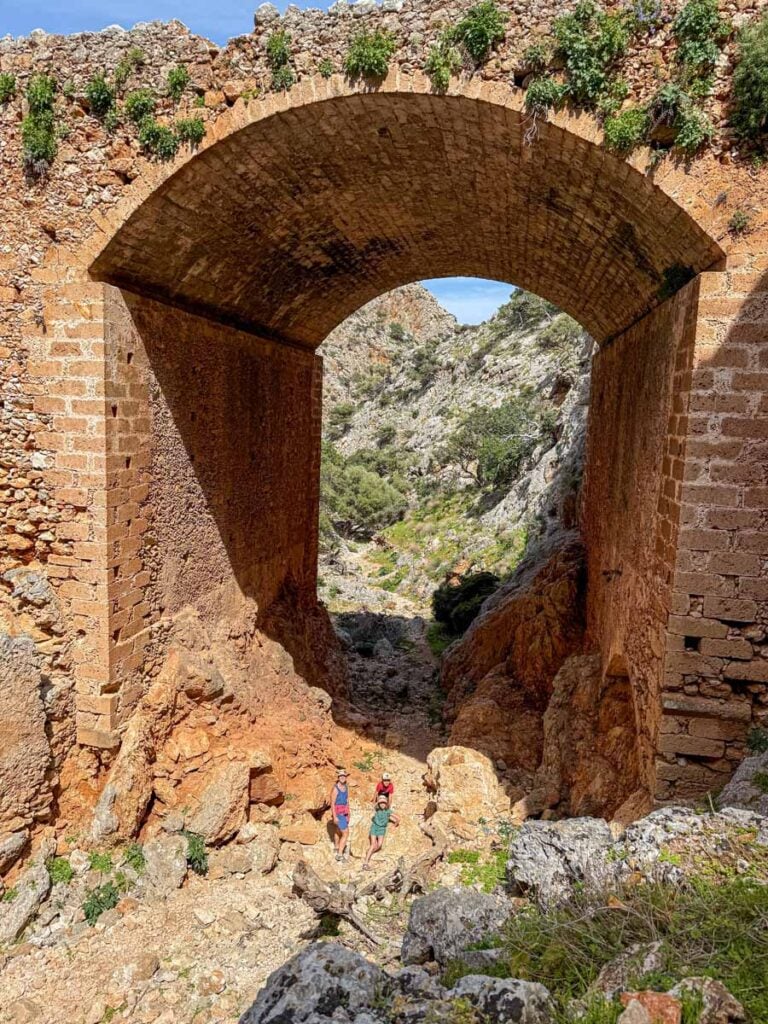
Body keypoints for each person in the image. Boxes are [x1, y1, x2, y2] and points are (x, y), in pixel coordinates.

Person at [363, 793, 399, 870]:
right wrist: (378, 800)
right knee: (373, 845)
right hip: (374, 827)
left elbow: (398, 818)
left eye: (384, 803)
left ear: (386, 804)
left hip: (382, 829)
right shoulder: (377, 809)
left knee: (379, 845)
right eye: (381, 803)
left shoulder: (388, 811)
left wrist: (394, 825)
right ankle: (365, 863)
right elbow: (373, 805)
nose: (382, 804)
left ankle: (369, 853)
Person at [330, 768, 350, 862]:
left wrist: (348, 813)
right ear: (338, 777)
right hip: (338, 813)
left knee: (338, 831)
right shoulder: (335, 789)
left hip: (344, 812)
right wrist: (334, 816)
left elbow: (347, 801)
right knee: (345, 833)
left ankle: (336, 847)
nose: (342, 777)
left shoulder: (346, 787)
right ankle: (340, 854)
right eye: (341, 776)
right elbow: (332, 803)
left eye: (344, 776)